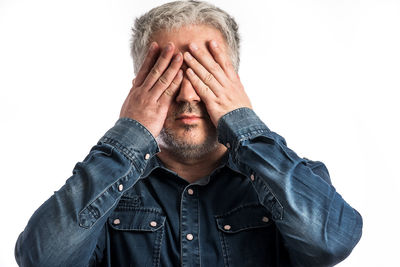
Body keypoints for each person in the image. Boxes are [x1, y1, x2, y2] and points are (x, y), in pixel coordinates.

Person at [14, 1, 363, 266]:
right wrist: (128, 137)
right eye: (168, 75)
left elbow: (331, 241)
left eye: (204, 75)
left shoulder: (291, 179)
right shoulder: (107, 189)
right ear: (139, 84)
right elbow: (42, 258)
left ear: (233, 82)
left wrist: (243, 124)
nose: (187, 96)